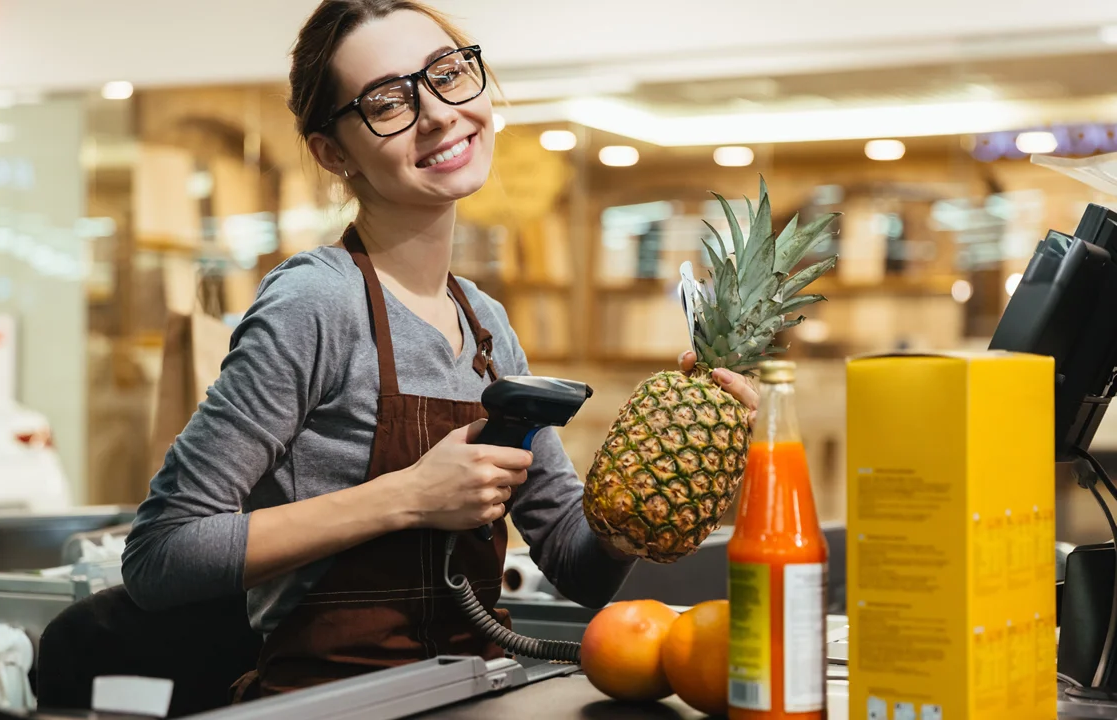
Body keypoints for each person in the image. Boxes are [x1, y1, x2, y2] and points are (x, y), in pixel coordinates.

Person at [119, 0, 759, 700]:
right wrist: (407, 497)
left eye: (448, 73)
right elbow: (161, 555)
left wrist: (660, 480)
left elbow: (578, 568)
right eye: (387, 100)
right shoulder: (318, 304)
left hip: (475, 693)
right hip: (333, 702)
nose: (438, 113)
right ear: (334, 152)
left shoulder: (485, 325)